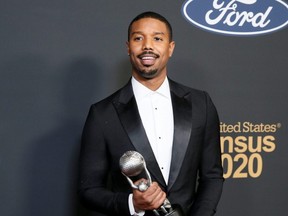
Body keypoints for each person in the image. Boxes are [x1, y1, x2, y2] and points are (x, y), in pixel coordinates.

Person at [79, 11, 224, 216]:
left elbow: (213, 176)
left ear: (170, 47)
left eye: (157, 38)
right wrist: (132, 203)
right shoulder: (103, 113)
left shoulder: (201, 104)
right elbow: (89, 190)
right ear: (128, 47)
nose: (148, 45)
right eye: (138, 38)